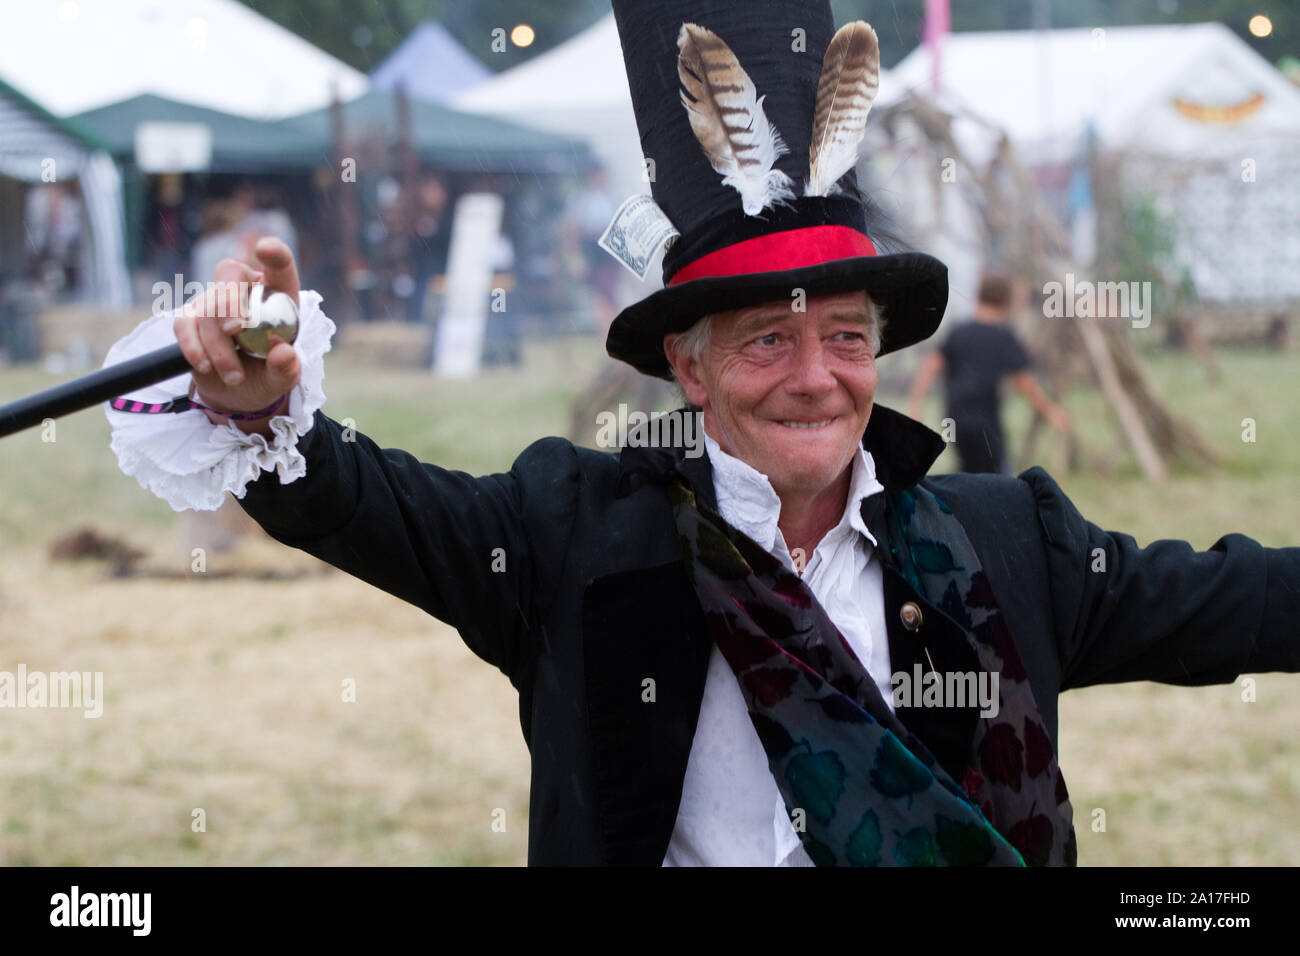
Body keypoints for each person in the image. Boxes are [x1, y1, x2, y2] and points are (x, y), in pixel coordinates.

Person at [101, 0, 1300, 867]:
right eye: (765, 341)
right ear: (687, 361)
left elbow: (1238, 599)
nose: (815, 378)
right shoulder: (570, 536)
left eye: (841, 334)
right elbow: (360, 497)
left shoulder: (1008, 542)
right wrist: (258, 403)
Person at [907, 274, 1071, 473]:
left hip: (953, 420)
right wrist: (1050, 411)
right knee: (998, 478)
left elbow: (930, 366)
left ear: (978, 295)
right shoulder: (1003, 336)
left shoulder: (959, 331)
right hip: (985, 422)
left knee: (971, 471)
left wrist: (916, 405)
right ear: (1006, 301)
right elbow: (1024, 382)